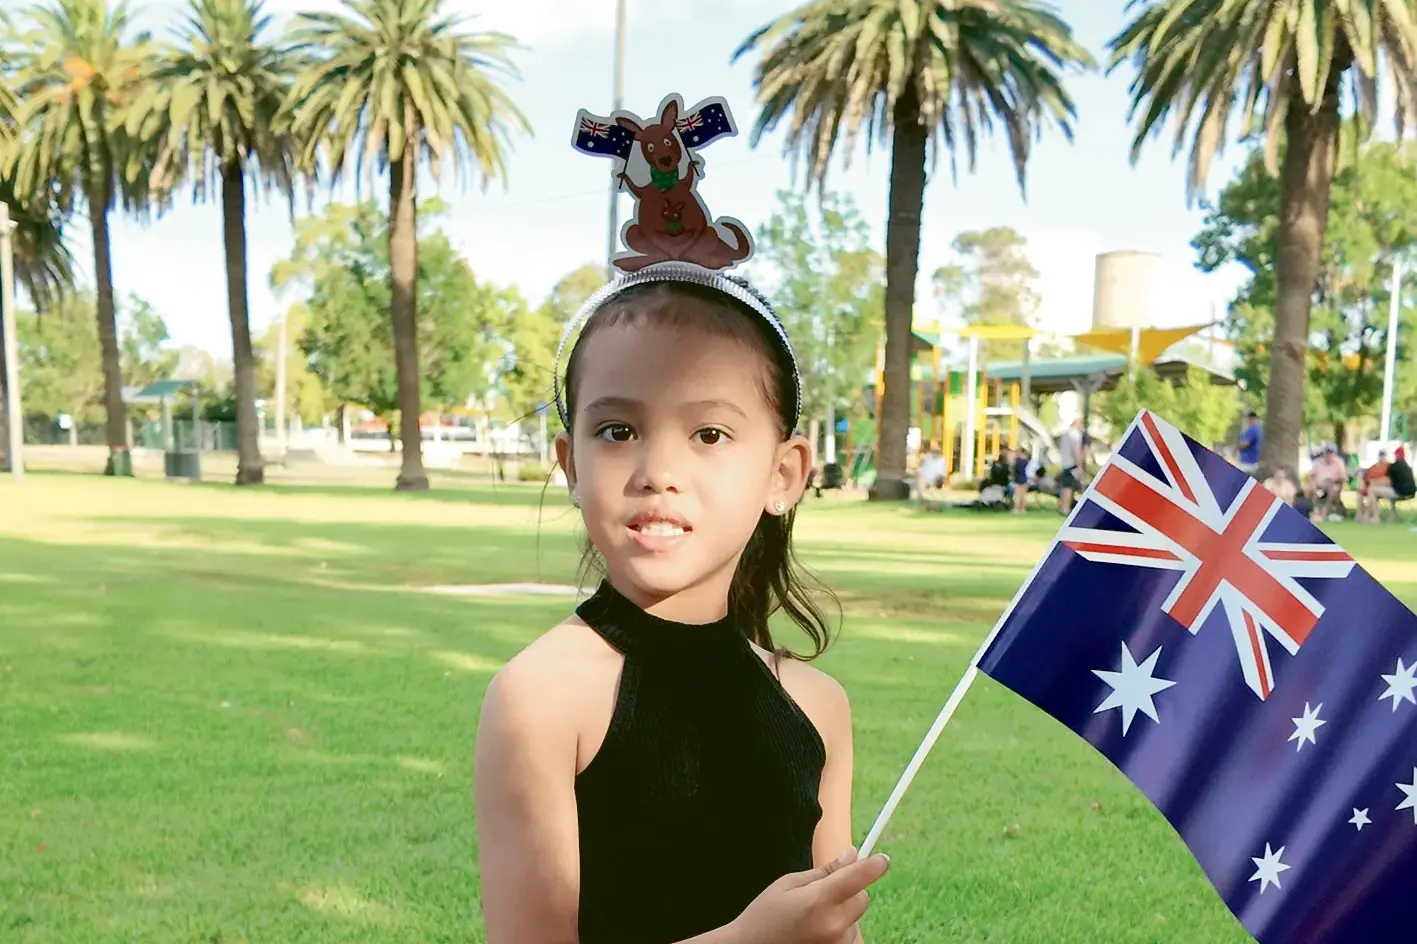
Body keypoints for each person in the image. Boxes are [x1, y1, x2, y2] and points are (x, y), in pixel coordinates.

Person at [474, 92, 890, 944]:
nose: (658, 472)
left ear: (784, 473)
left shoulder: (817, 706)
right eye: (618, 430)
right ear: (569, 462)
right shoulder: (542, 697)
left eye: (707, 433)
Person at [1310, 446, 1347, 519]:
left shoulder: (1339, 462)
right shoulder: (1318, 462)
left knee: (1331, 486)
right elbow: (1311, 475)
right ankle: (1313, 510)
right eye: (1327, 454)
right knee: (1311, 489)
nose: (1328, 456)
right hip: (1319, 485)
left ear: (1334, 454)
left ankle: (1325, 510)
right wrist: (1313, 482)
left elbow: (1343, 477)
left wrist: (1332, 480)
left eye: (1330, 454)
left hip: (1334, 484)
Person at [1360, 450, 1396, 523]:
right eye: (1381, 456)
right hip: (1375, 488)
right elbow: (1367, 478)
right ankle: (1366, 515)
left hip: (1387, 488)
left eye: (1383, 456)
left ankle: (1373, 516)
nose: (1382, 458)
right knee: (1366, 490)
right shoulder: (1374, 467)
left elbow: (1390, 480)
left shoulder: (1390, 467)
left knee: (1371, 491)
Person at [1058, 418, 1084, 515]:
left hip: (1065, 463)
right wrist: (1079, 466)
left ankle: (1063, 506)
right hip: (1072, 464)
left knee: (1065, 487)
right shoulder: (1075, 435)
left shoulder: (1065, 434)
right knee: (1069, 487)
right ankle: (1066, 508)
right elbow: (1076, 451)